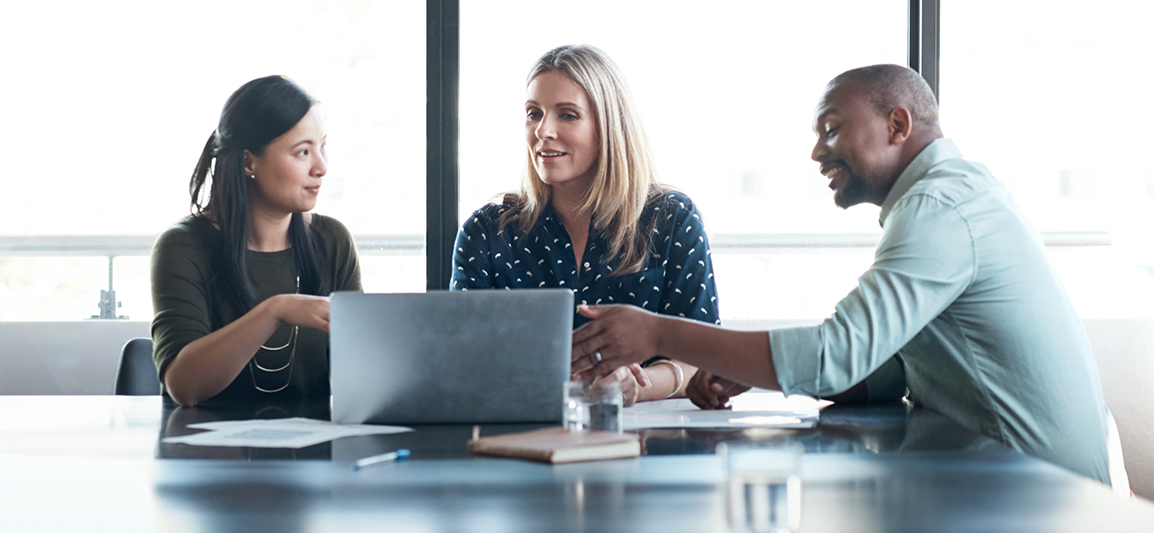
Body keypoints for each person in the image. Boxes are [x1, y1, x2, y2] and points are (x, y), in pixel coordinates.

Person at [568, 64, 1114, 484]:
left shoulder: (939, 208)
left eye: (832, 128)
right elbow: (896, 368)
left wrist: (658, 331)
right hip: (1022, 483)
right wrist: (756, 368)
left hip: (1038, 500)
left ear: (897, 124)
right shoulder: (956, 194)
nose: (815, 151)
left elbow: (836, 355)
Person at [450, 44, 718, 406]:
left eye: (568, 115)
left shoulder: (671, 218)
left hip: (648, 442)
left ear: (609, 126)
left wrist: (637, 385)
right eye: (534, 113)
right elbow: (458, 362)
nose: (543, 130)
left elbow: (704, 355)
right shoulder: (486, 232)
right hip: (522, 439)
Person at [151, 75, 362, 407]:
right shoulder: (183, 247)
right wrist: (276, 310)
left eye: (322, 148)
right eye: (303, 152)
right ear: (249, 161)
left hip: (313, 452)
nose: (321, 167)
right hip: (205, 453)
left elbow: (362, 372)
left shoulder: (331, 241)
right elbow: (184, 386)